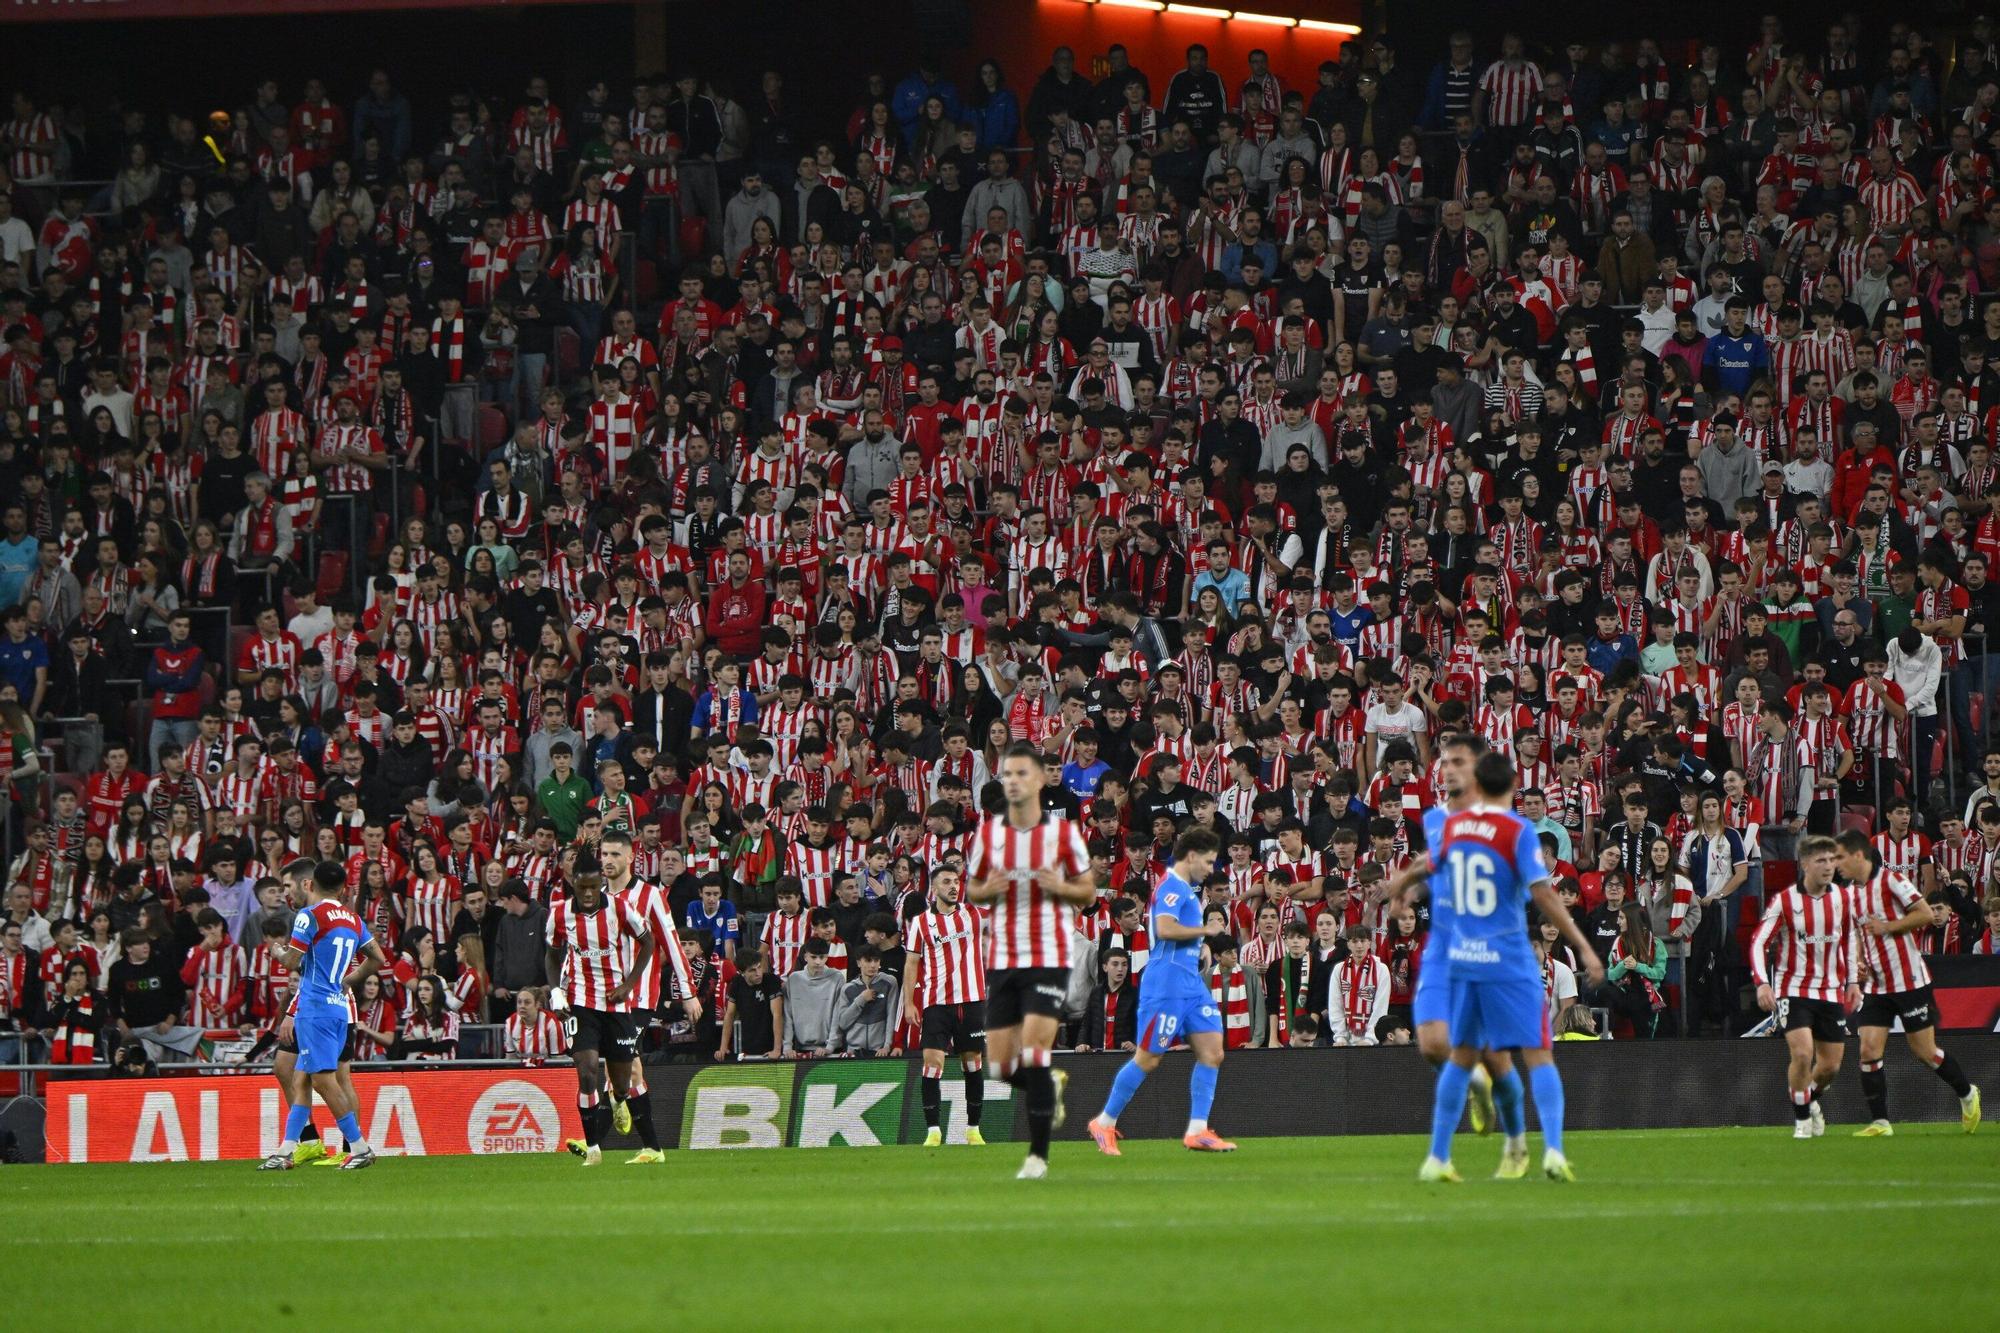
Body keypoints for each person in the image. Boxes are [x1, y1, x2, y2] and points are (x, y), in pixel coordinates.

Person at [1420, 750, 1603, 1183]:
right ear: (1513, 788)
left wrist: (1401, 887)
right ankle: (1554, 1151)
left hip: (1463, 960)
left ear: (1477, 786)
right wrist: (1584, 947)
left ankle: (1438, 1156)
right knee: (1539, 1054)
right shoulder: (1517, 830)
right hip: (1508, 958)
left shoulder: (1453, 827)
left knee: (1463, 1057)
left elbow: (1429, 868)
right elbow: (1543, 894)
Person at [964, 741, 1095, 1180]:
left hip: (1049, 954)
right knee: (1001, 1066)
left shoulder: (1062, 836)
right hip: (1004, 958)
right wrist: (992, 887)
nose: (1014, 781)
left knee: (1036, 1053)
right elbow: (973, 891)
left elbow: (1088, 893)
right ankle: (1049, 1088)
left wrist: (1059, 884)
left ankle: (1037, 1156)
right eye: (1007, 775)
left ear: (1040, 779)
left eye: (1022, 773)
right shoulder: (989, 835)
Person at [1086, 825, 1236, 1154]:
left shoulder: (1183, 889)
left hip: (1189, 983)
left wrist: (1199, 946)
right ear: (1192, 857)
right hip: (1166, 983)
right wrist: (1206, 930)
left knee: (1213, 1051)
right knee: (1149, 1058)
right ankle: (1105, 1122)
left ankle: (1198, 1130)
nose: (1210, 870)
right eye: (1209, 862)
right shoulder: (1173, 888)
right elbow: (1165, 928)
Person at [1834, 831, 1980, 1137]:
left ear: (1858, 855)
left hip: (1909, 981)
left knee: (1925, 1052)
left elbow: (1925, 913)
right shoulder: (1851, 894)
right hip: (1877, 986)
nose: (1836, 865)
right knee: (1868, 1050)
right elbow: (1861, 934)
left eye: (1840, 857)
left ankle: (1967, 1093)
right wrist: (1859, 962)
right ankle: (1881, 1122)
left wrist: (1888, 926)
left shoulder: (1891, 881)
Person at [261, 860, 387, 1171]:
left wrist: (277, 952)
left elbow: (292, 961)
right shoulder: (353, 919)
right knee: (301, 1079)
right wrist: (349, 980)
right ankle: (286, 1151)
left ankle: (359, 1147)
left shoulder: (310, 915)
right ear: (343, 888)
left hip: (314, 1008)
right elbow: (378, 958)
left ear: (310, 884)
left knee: (322, 1080)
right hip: (338, 1007)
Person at [545, 855, 655, 1167]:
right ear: (573, 883)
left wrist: (629, 985)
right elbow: (552, 956)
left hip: (616, 1004)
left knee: (621, 1083)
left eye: (595, 887)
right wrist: (556, 992)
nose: (590, 893)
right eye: (583, 887)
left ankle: (617, 1099)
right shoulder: (559, 914)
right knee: (587, 1069)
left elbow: (648, 942)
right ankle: (593, 1149)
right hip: (580, 1002)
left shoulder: (619, 908)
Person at [1749, 835, 1861, 1140]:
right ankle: (1801, 1121)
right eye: (1821, 861)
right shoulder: (1785, 900)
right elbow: (1759, 942)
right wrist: (1762, 983)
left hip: (1830, 990)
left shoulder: (1843, 898)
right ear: (1804, 864)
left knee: (1830, 1067)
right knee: (1802, 1054)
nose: (1828, 867)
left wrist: (1852, 981)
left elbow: (1850, 940)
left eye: (1832, 860)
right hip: (1793, 989)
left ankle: (1807, 1100)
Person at [601, 827, 698, 1164]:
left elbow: (671, 942)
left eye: (616, 854)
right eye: (605, 854)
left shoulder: (650, 895)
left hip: (640, 996)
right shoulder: (595, 897)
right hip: (603, 996)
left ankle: (603, 1123)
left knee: (623, 1061)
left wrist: (688, 993)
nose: (609, 860)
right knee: (631, 1070)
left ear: (631, 857)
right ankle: (652, 1147)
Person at [900, 865, 988, 1147]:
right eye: (947, 882)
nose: (954, 886)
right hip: (936, 1002)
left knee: (972, 1063)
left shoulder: (973, 914)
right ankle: (933, 1132)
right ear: (934, 888)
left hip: (972, 1000)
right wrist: (909, 1002)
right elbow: (911, 963)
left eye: (957, 881)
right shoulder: (921, 923)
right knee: (932, 1062)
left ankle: (973, 1129)